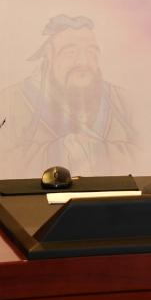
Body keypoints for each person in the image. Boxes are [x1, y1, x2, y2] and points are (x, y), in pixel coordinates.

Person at [0, 15, 137, 178]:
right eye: (70, 53)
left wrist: (97, 150)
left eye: (91, 52)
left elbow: (148, 151)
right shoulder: (12, 100)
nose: (83, 62)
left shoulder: (120, 100)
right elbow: (6, 159)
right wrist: (59, 150)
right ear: (49, 55)